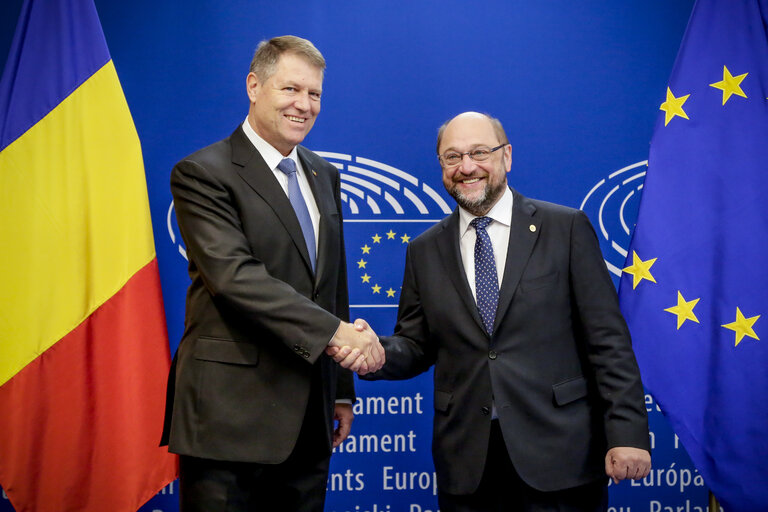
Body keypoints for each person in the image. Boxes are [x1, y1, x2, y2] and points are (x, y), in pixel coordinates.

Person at [331, 111, 651, 511]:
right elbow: (415, 344)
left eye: (479, 152)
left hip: (561, 457)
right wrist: (373, 353)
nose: (466, 167)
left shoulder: (565, 229)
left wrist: (628, 433)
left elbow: (608, 342)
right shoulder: (425, 250)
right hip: (468, 464)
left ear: (507, 156)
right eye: (452, 157)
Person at [161, 35, 383, 512]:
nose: (304, 105)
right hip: (229, 417)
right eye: (291, 90)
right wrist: (337, 334)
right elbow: (236, 277)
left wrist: (340, 390)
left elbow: (332, 284)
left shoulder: (324, 174)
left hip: (309, 415)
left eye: (315, 94)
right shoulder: (203, 172)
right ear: (254, 86)